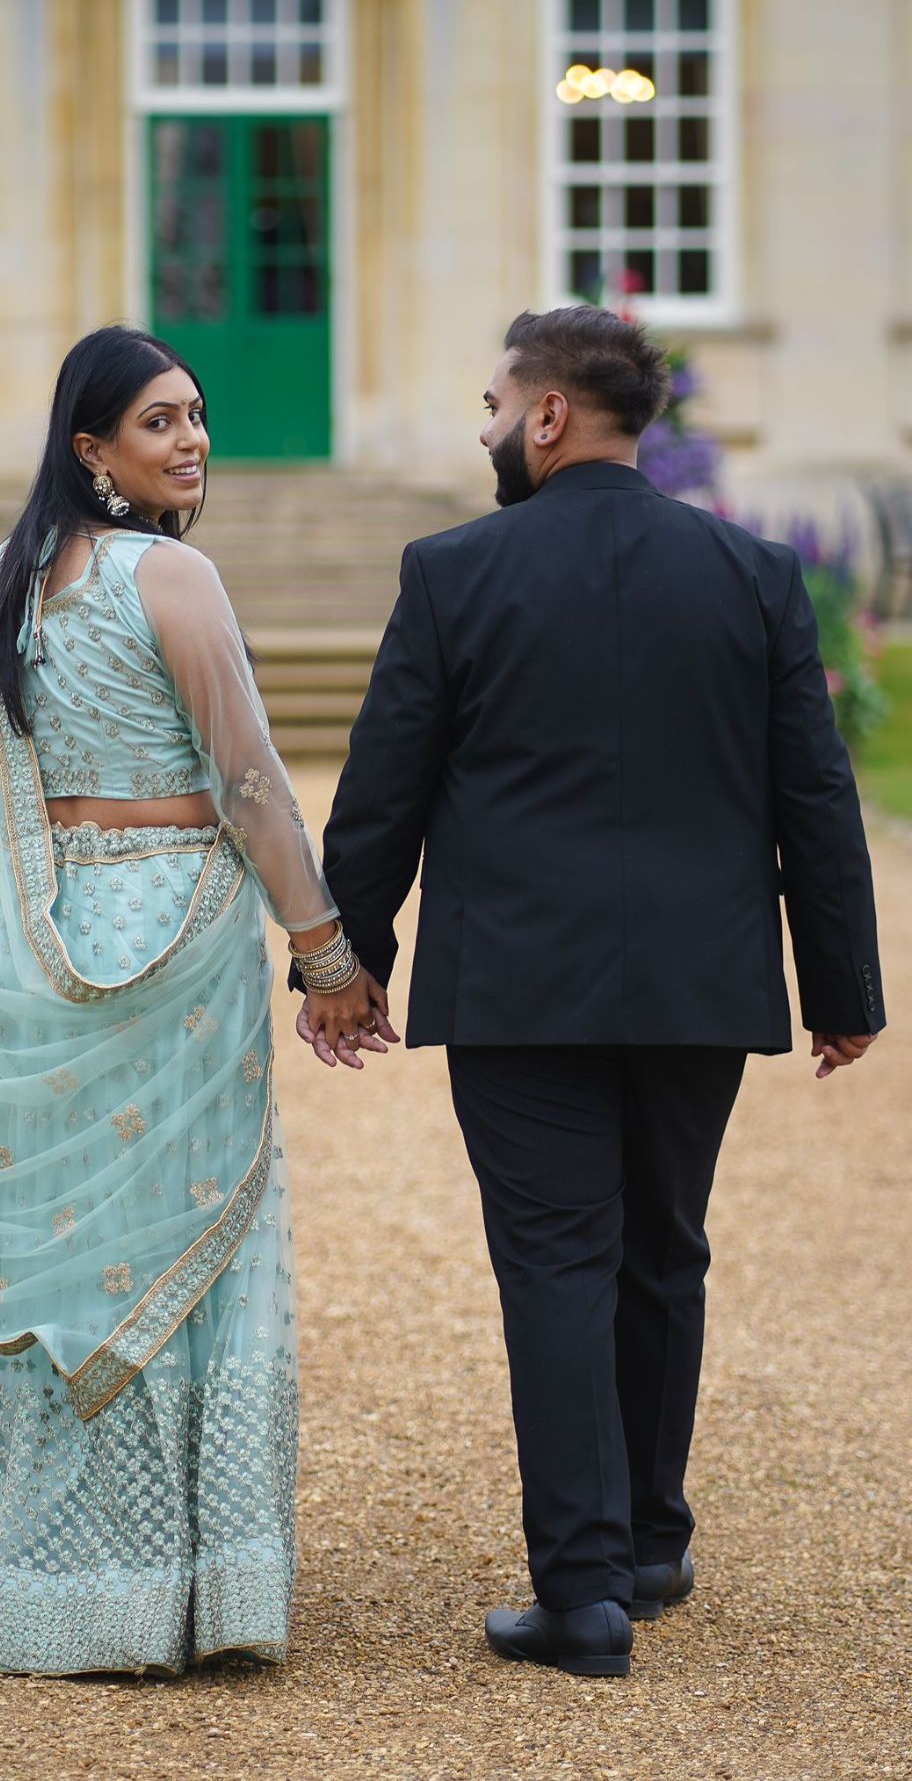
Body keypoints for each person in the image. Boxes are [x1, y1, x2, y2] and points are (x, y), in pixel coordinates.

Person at [295, 306, 885, 1677]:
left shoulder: (453, 571)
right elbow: (816, 794)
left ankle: (584, 1595)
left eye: (495, 404)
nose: (487, 428)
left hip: (520, 986)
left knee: (559, 1265)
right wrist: (842, 984)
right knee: (665, 1251)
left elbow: (383, 792)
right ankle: (650, 1547)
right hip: (700, 980)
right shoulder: (754, 572)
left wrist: (346, 963)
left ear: (549, 415)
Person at [0, 324, 379, 1676]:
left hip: (38, 933)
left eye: (197, 415)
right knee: (175, 1234)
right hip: (174, 940)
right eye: (161, 421)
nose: (194, 440)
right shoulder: (171, 575)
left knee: (44, 1244)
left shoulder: (11, 581)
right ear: (92, 448)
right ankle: (166, 1587)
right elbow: (248, 782)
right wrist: (327, 953)